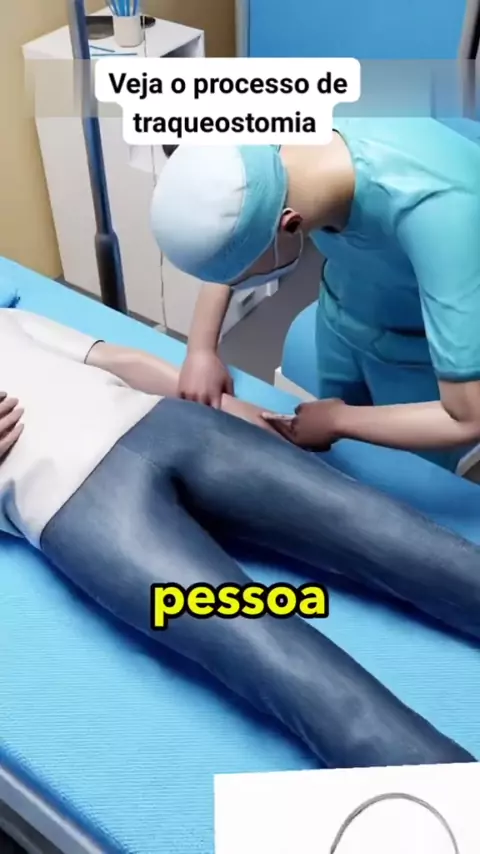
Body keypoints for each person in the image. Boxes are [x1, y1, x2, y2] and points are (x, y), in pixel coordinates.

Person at [1, 306, 479, 769]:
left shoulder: (7, 321)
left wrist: (233, 407)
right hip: (79, 505)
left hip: (172, 424)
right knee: (275, 657)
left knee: (378, 526)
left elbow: (118, 360)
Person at [150, 119, 480, 473]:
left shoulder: (441, 214)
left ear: (290, 224)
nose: (233, 284)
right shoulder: (273, 155)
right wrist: (200, 349)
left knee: (408, 480)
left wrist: (339, 420)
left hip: (424, 354)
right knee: (337, 466)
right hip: (341, 315)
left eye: (242, 277)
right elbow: (237, 228)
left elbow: (468, 417)